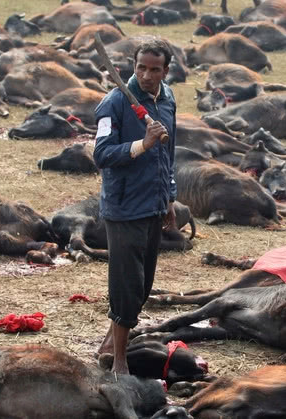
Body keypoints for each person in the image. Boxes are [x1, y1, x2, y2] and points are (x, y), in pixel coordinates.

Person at [93, 39, 177, 374]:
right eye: (141, 67)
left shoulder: (168, 100)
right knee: (125, 284)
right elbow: (101, 155)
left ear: (165, 71)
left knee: (142, 285)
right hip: (124, 206)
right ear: (133, 65)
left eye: (154, 69)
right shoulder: (113, 103)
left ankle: (111, 341)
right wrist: (141, 145)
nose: (146, 75)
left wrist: (169, 197)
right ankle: (119, 360)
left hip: (153, 204)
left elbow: (169, 155)